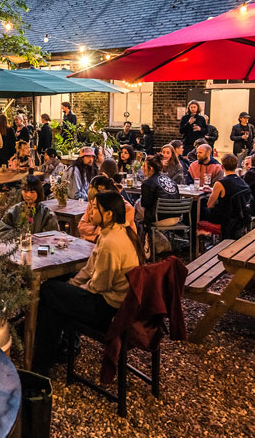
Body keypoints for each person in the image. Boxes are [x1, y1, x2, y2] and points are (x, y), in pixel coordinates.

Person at [32, 191, 141, 377]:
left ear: (108, 214)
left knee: (49, 291)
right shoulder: (113, 232)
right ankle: (56, 351)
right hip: (107, 297)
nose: (90, 212)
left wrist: (72, 291)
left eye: (95, 208)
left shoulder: (112, 243)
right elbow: (90, 269)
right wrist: (71, 285)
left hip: (109, 309)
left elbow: (97, 286)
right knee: (58, 286)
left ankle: (41, 362)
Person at [78, 175, 137, 241]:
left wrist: (93, 232)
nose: (91, 212)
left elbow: (111, 234)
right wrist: (97, 232)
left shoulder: (126, 208)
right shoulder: (93, 202)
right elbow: (81, 226)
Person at [202, 154, 252, 230]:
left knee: (199, 208)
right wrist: (213, 190)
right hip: (239, 216)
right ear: (236, 167)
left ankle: (194, 237)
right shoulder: (241, 181)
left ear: (222, 167)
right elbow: (231, 191)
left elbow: (210, 205)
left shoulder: (220, 183)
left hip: (225, 218)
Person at [139, 154, 181, 230]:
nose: (142, 168)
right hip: (176, 218)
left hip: (159, 219)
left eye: (144, 166)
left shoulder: (148, 183)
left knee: (136, 209)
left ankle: (141, 238)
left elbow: (145, 204)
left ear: (151, 168)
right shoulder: (171, 180)